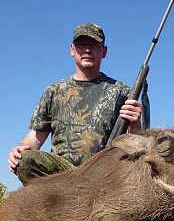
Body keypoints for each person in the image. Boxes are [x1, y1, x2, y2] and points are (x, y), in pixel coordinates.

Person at [8, 22, 143, 185]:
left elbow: (135, 143)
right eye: (81, 45)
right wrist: (19, 150)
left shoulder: (122, 91)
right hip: (61, 177)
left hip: (104, 174)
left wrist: (136, 123)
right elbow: (36, 138)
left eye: (94, 45)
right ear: (72, 49)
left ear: (104, 51)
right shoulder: (54, 91)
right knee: (25, 160)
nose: (87, 50)